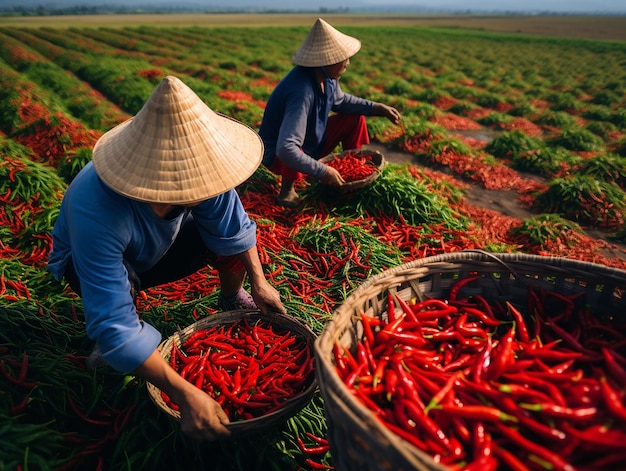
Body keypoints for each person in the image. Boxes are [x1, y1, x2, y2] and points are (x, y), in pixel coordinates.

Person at [48, 75, 286, 442]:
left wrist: (259, 282)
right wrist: (186, 391)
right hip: (88, 264)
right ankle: (118, 347)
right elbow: (115, 323)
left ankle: (229, 297)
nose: (214, 188)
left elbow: (235, 228)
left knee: (225, 242)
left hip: (157, 247)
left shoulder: (201, 174)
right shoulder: (95, 207)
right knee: (114, 333)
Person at [259, 17, 402, 207]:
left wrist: (377, 108)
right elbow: (286, 148)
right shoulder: (301, 91)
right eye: (342, 58)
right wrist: (322, 171)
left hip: (311, 140)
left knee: (354, 118)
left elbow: (341, 101)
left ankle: (352, 167)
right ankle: (287, 191)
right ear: (326, 60)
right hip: (278, 155)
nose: (348, 63)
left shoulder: (327, 77)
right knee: (294, 145)